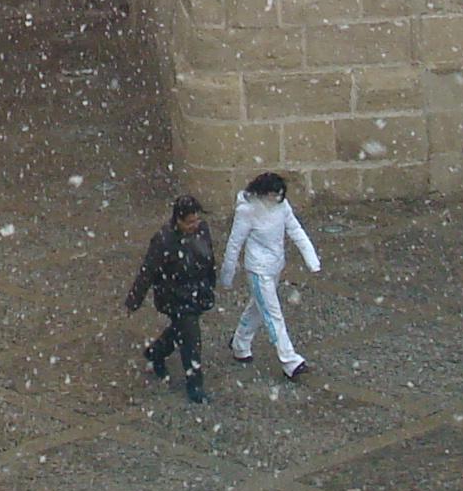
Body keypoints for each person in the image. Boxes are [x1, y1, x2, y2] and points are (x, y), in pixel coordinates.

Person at [222, 171, 320, 379]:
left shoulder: (281, 206)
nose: (277, 198)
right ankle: (290, 362)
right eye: (273, 195)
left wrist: (312, 260)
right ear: (263, 192)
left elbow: (295, 230)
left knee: (258, 307)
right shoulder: (247, 211)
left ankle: (240, 342)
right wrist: (227, 274)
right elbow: (234, 243)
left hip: (274, 266)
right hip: (258, 270)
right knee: (273, 315)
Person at [123, 196, 217, 404]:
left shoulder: (202, 230)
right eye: (190, 222)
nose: (194, 226)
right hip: (175, 296)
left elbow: (209, 258)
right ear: (178, 220)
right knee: (191, 337)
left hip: (197, 291)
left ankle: (156, 351)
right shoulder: (163, 240)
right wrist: (134, 300)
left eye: (196, 221)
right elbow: (147, 272)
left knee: (180, 330)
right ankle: (195, 384)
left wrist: (210, 284)